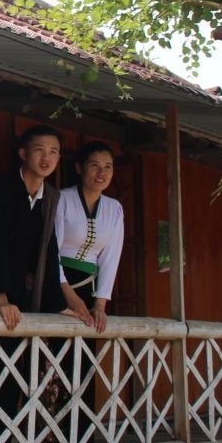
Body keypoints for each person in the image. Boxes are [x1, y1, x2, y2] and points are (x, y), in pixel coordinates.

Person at [0, 125, 63, 331]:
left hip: (19, 298)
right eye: (39, 150)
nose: (46, 157)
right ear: (23, 154)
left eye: (53, 152)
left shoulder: (49, 198)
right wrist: (0, 297)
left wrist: (58, 306)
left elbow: (49, 252)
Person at [56, 141, 125, 334]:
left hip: (89, 286)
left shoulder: (114, 209)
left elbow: (111, 258)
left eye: (108, 167)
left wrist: (100, 305)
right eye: (94, 166)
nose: (102, 173)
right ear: (79, 168)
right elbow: (51, 249)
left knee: (84, 344)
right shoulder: (61, 199)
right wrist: (69, 295)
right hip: (56, 283)